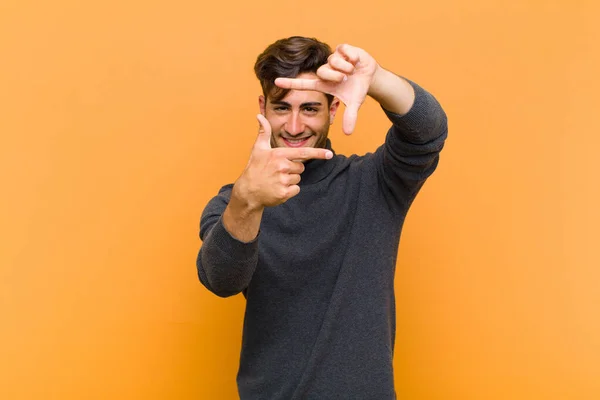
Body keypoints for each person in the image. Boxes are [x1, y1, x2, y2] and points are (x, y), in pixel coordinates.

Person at [196, 36, 448, 399]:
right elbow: (222, 281)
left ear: (333, 110)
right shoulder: (232, 202)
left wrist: (376, 79)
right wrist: (246, 202)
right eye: (282, 108)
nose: (295, 126)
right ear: (262, 107)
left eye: (310, 109)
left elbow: (429, 131)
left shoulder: (374, 183)